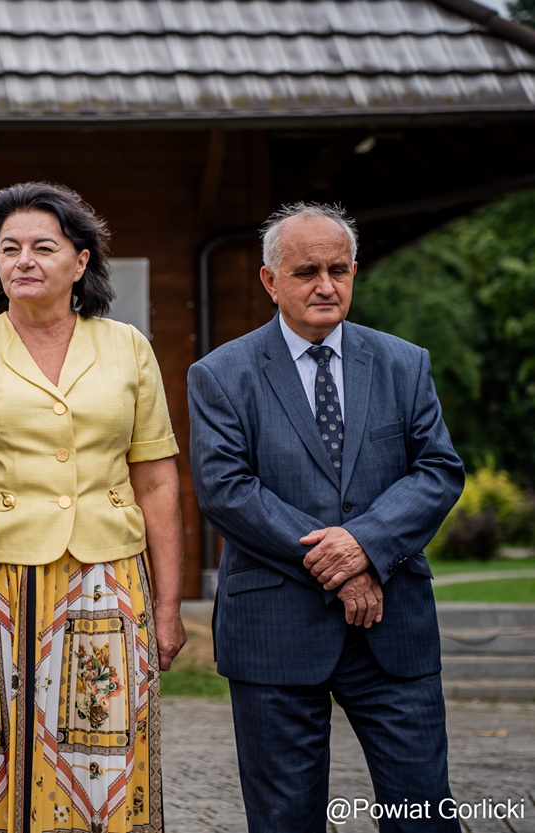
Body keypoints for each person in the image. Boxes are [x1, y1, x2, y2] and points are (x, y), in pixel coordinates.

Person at [0, 181, 186, 833]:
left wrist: (169, 605)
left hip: (108, 579)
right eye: (9, 248)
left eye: (43, 246)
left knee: (103, 756)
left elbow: (157, 482)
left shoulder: (128, 346)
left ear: (81, 261)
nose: (23, 260)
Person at [188, 202, 464, 833]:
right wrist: (340, 565)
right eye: (306, 271)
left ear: (354, 272)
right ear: (270, 280)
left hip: (391, 630)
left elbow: (438, 471)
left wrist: (364, 545)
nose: (325, 285)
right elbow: (227, 491)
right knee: (285, 820)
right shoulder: (221, 375)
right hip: (274, 631)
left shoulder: (404, 364)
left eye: (338, 270)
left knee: (423, 813)